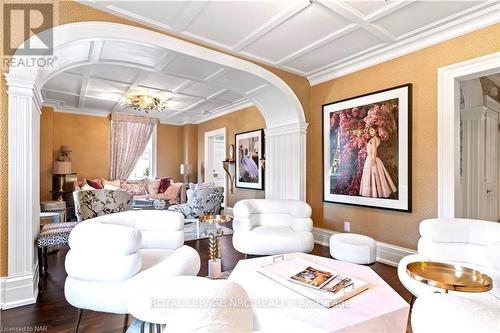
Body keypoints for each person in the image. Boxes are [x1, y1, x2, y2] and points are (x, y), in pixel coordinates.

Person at [359, 127, 397, 198]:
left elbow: (374, 151)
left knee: (373, 176)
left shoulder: (373, 139)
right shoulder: (378, 139)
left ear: (376, 130)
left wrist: (373, 161)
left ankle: (373, 193)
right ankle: (377, 193)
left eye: (372, 130)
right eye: (370, 130)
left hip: (371, 158)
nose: (370, 132)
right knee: (377, 176)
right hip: (374, 158)